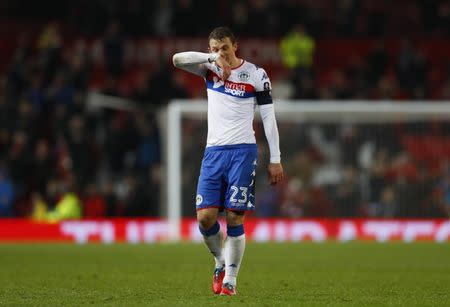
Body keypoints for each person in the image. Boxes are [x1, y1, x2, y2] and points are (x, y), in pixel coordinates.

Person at [172, 27, 284, 296]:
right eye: (214, 48)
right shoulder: (209, 69)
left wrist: (276, 158)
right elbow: (177, 59)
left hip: (243, 152)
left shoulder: (256, 74)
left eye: (224, 47)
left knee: (235, 216)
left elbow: (268, 118)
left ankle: (231, 281)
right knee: (204, 220)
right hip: (214, 153)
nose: (220, 52)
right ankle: (220, 262)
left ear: (235, 46)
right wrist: (210, 59)